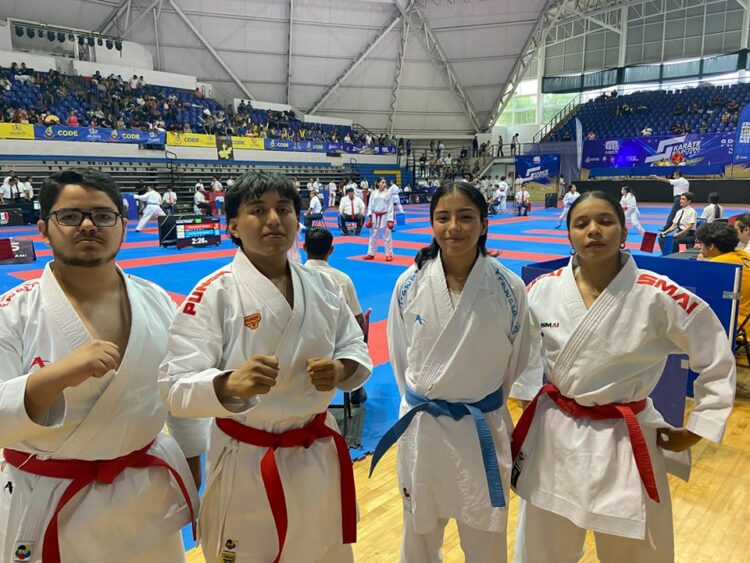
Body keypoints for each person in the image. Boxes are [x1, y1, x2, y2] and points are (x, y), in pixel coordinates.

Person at [509, 190, 736, 563]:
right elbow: (524, 346)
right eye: (581, 223)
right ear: (569, 234)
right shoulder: (543, 289)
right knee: (542, 549)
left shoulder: (659, 294)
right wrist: (524, 393)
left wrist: (698, 427)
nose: (593, 230)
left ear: (624, 230)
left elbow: (716, 357)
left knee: (634, 551)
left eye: (605, 221)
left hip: (625, 437)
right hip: (556, 435)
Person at [159, 172, 372, 563]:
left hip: (316, 452)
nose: (274, 219)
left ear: (297, 220)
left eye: (284, 209)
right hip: (248, 460)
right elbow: (174, 385)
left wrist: (342, 369)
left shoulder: (325, 287)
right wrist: (228, 384)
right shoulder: (213, 293)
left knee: (324, 552)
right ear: (233, 226)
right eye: (258, 210)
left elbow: (354, 344)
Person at [0, 168, 205, 562]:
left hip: (144, 498)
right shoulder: (13, 311)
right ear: (44, 230)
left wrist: (192, 464)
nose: (88, 225)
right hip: (48, 499)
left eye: (103, 215)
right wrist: (56, 376)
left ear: (123, 226)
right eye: (70, 216)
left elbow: (180, 389)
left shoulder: (157, 300)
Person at [370, 180, 530, 563]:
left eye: (465, 217)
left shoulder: (509, 287)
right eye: (443, 217)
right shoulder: (409, 283)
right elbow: (401, 357)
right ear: (432, 223)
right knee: (419, 533)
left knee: (485, 536)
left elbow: (516, 361)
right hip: (424, 427)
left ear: (484, 223)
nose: (453, 227)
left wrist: (480, 395)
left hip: (481, 426)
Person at [304, 228, 365, 329]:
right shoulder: (343, 280)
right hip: (335, 336)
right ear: (331, 250)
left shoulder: (293, 277)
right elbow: (358, 320)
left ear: (304, 247)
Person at [696, 222, 750, 321]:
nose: (699, 247)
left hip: (737, 324)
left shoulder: (716, 266)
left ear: (711, 246)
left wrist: (702, 265)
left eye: (701, 243)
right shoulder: (743, 255)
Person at [363, 178, 395, 261]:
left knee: (387, 236)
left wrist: (390, 220)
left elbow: (390, 207)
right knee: (373, 236)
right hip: (374, 216)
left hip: (384, 216)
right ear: (378, 183)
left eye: (385, 182)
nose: (384, 184)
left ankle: (388, 254)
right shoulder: (373, 193)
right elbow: (370, 205)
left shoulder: (388, 193)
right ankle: (371, 253)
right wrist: (369, 216)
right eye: (382, 182)